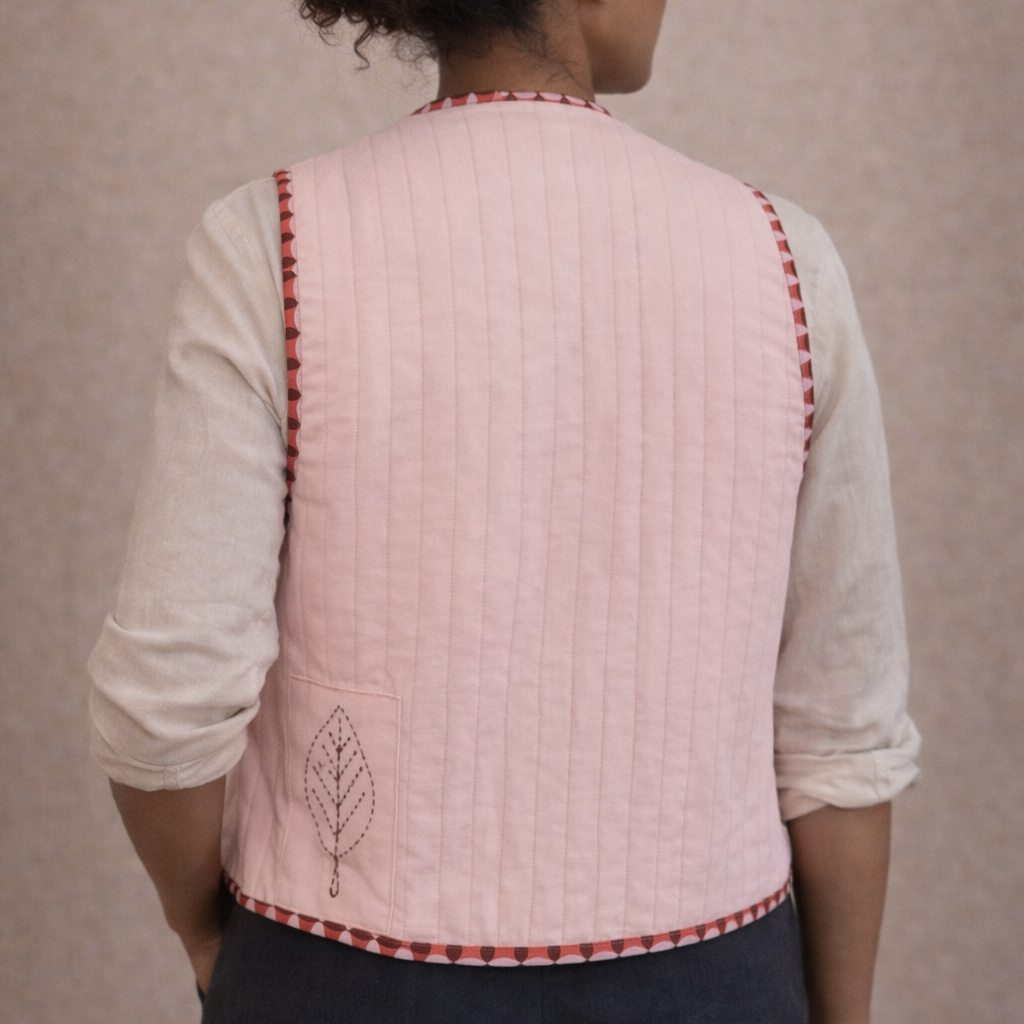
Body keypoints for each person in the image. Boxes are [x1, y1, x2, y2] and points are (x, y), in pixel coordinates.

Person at [87, 0, 921, 1021]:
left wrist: (206, 929)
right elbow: (842, 737)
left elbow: (162, 703)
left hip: (335, 974)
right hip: (711, 982)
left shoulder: (273, 245)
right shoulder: (789, 264)